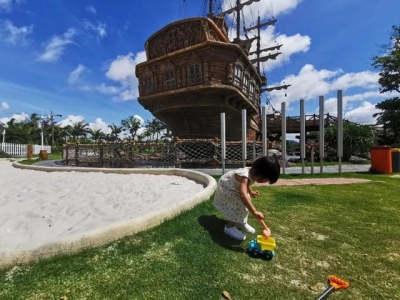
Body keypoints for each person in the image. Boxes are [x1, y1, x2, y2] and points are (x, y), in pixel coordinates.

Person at [213, 156, 280, 240]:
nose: (265, 182)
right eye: (266, 179)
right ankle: (229, 227)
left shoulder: (252, 173)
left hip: (234, 187)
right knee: (238, 205)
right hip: (226, 188)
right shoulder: (245, 176)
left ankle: (240, 222)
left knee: (246, 201)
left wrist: (250, 191)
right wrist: (255, 211)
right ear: (260, 176)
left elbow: (246, 185)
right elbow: (243, 193)